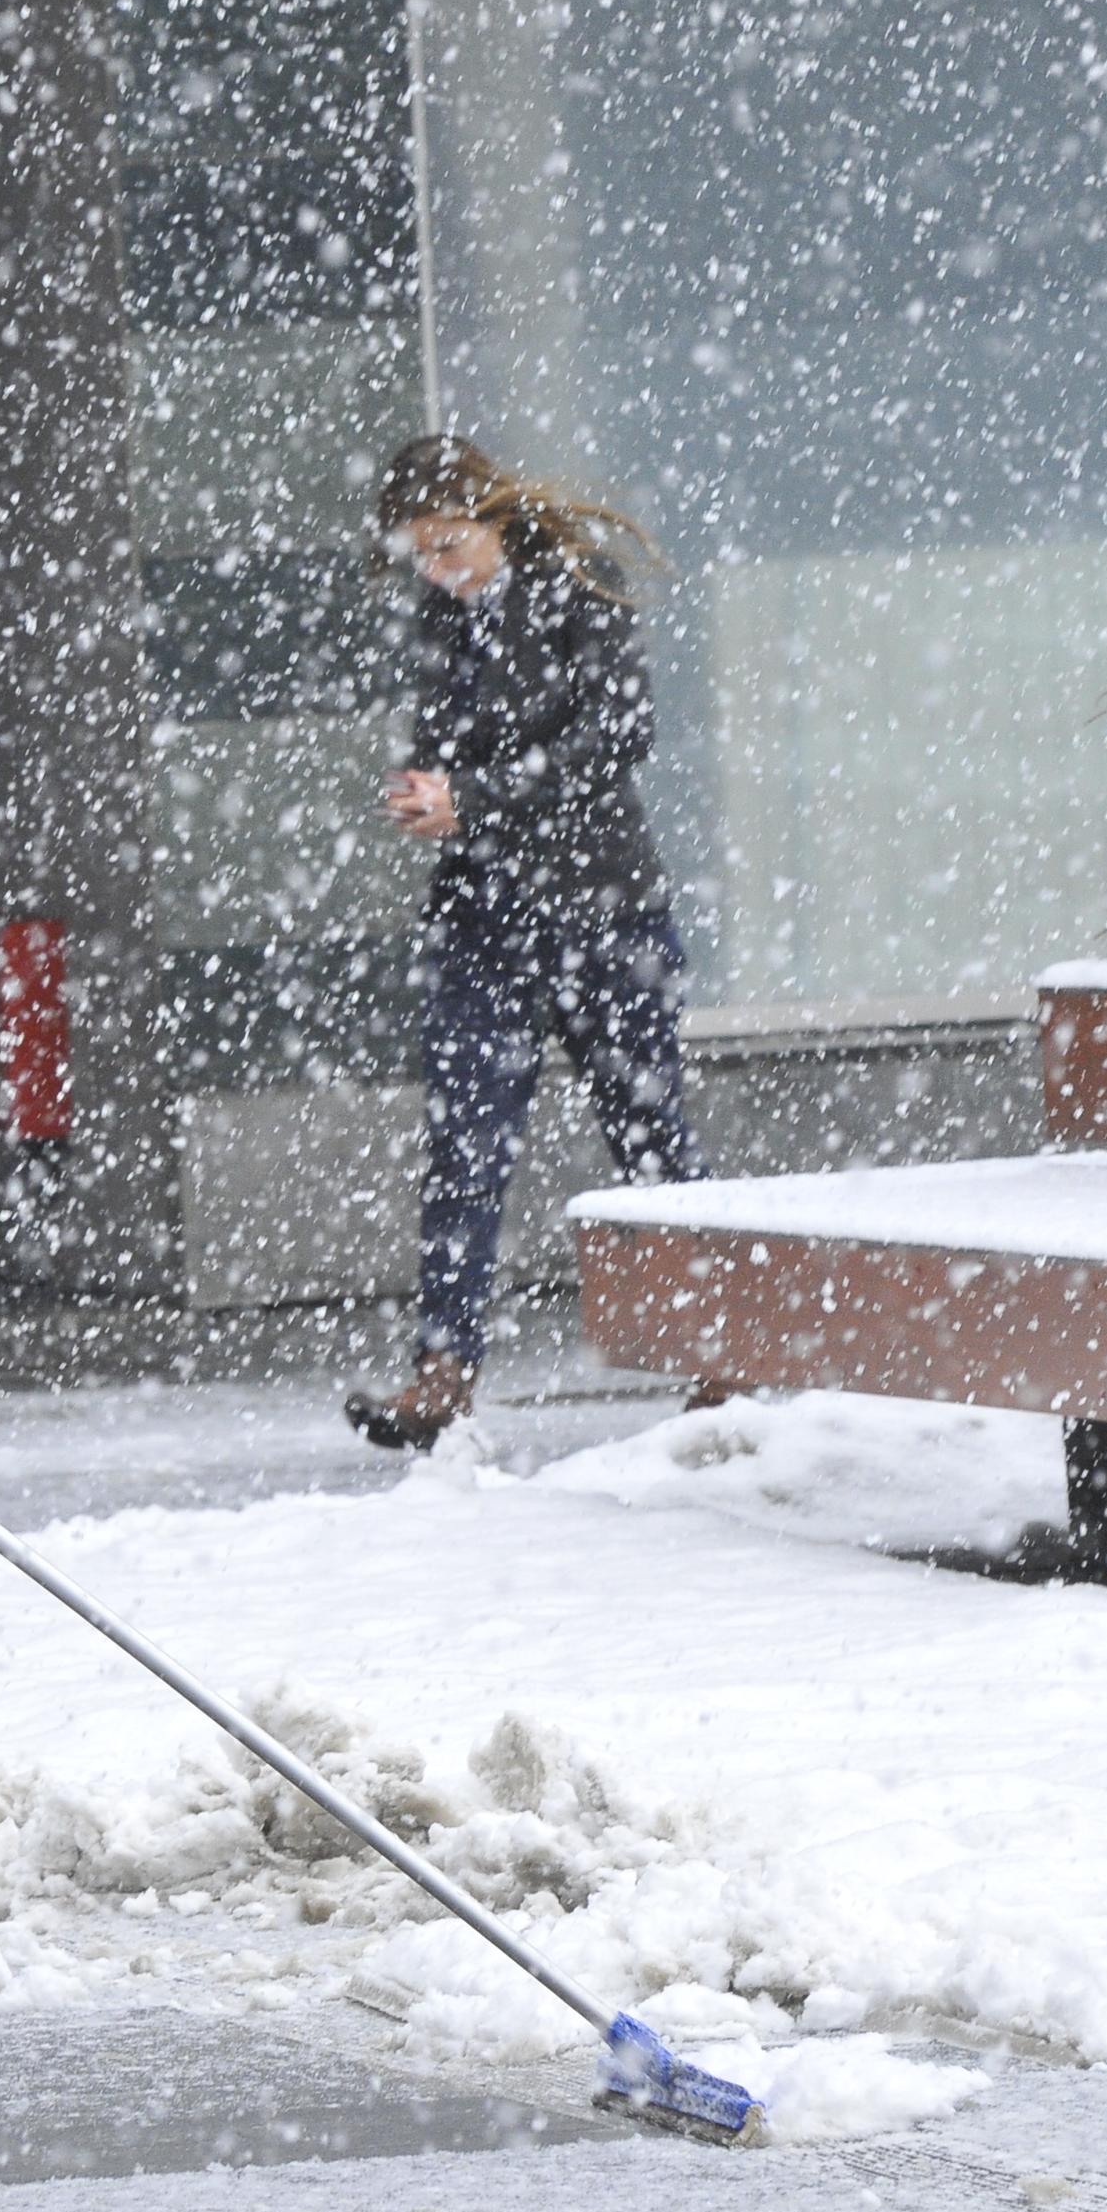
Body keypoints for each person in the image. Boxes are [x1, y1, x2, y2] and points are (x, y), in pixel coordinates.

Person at [347, 434, 708, 1451]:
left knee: (650, 1133)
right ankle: (443, 1368)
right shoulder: (440, 616)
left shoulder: (577, 589)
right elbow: (448, 740)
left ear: (497, 521)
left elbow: (616, 742)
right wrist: (429, 791)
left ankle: (724, 1351)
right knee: (464, 1145)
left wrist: (479, 796)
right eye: (421, 552)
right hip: (483, 915)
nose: (438, 568)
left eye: (451, 544)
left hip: (601, 908)